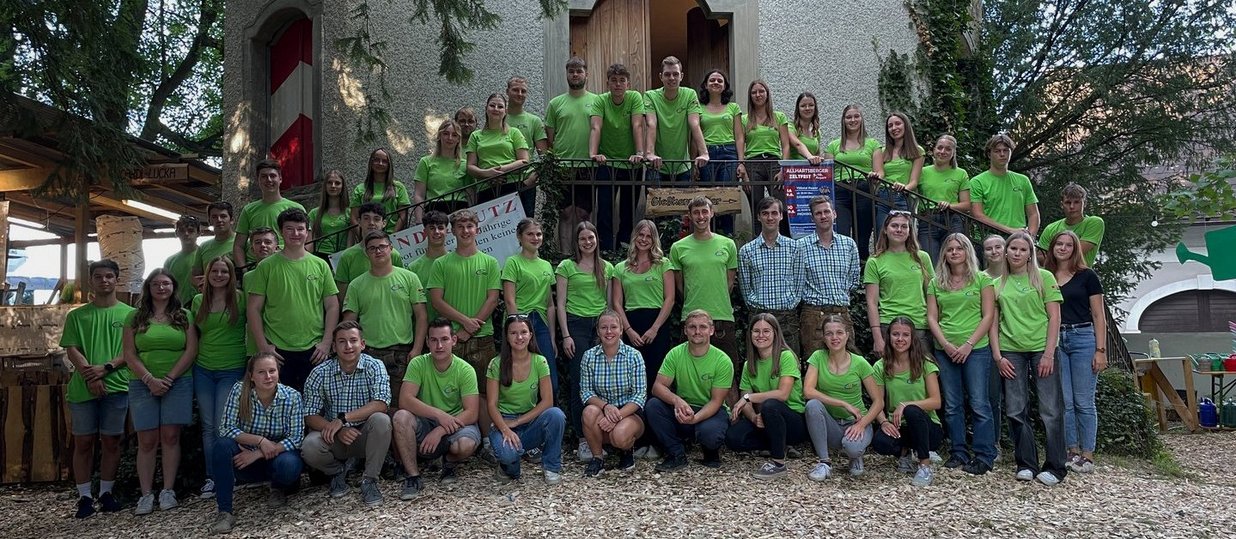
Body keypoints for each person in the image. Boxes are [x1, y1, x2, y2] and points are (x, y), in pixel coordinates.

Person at [992, 231, 1067, 486]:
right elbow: (993, 323)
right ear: (1006, 252)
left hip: (1041, 349)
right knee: (1015, 409)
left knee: (1050, 409)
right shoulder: (997, 284)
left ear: (1030, 254)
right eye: (1013, 248)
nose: (1017, 253)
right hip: (1011, 350)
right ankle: (1026, 463)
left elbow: (1055, 317)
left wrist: (1049, 354)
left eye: (1023, 249)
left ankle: (1056, 466)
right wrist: (998, 356)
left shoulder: (1044, 277)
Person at [61, 259, 135, 518]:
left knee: (112, 441)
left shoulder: (130, 314)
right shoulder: (76, 316)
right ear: (91, 280)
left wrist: (106, 368)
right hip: (83, 389)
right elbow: (72, 349)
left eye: (109, 276)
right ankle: (84, 496)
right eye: (99, 276)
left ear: (117, 279)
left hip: (117, 385)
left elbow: (132, 350)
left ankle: (106, 492)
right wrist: (91, 376)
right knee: (83, 442)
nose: (104, 281)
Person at [123, 269, 199, 514]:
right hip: (142, 383)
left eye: (166, 283)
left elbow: (191, 350)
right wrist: (149, 379)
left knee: (171, 436)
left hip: (177, 381)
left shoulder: (184, 315)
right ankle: (146, 494)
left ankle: (168, 490)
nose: (161, 288)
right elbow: (129, 353)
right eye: (156, 284)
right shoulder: (135, 317)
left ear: (173, 287)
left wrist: (168, 378)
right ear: (148, 287)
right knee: (146, 439)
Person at [209, 353, 305, 535]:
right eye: (261, 372)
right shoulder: (239, 391)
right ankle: (225, 512)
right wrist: (260, 441)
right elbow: (226, 428)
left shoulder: (292, 396)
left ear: (278, 372)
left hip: (276, 457)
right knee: (222, 446)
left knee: (289, 465)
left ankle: (278, 487)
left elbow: (297, 437)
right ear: (251, 376)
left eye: (272, 371)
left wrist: (259, 452)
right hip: (245, 461)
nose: (268, 376)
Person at [926, 233, 997, 475]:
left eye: (959, 248)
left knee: (979, 403)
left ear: (968, 251)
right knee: (952, 404)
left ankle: (984, 454)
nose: (954, 252)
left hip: (975, 350)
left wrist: (968, 344)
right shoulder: (936, 282)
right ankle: (958, 452)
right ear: (944, 254)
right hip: (945, 350)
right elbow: (931, 317)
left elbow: (988, 315)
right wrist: (945, 344)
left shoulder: (982, 279)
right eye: (950, 249)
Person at [246, 208, 340, 391]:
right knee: (278, 403)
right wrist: (263, 346)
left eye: (300, 229)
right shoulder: (266, 267)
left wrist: (327, 342)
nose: (295, 233)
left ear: (307, 232)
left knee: (314, 403)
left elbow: (332, 306)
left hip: (314, 350)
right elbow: (253, 308)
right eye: (289, 229)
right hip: (277, 350)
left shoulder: (321, 265)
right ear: (281, 232)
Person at [301, 321, 392, 507]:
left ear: (362, 344)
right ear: (334, 347)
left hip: (365, 435)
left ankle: (370, 480)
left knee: (381, 420)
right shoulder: (320, 373)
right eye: (342, 341)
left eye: (353, 340)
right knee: (310, 445)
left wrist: (343, 419)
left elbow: (381, 403)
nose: (348, 346)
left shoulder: (375, 366)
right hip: (336, 438)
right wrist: (337, 429)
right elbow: (309, 415)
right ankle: (336, 472)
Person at [426, 209, 500, 432]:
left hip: (482, 338)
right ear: (453, 231)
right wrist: (464, 322)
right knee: (453, 392)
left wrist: (470, 327)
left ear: (477, 229)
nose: (465, 231)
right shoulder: (441, 264)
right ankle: (455, 436)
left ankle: (486, 441)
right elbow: (436, 300)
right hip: (450, 339)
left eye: (470, 226)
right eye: (460, 227)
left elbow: (493, 299)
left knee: (485, 393)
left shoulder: (490, 262)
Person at [393, 318, 483, 496]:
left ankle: (448, 461)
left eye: (444, 339)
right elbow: (405, 400)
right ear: (427, 342)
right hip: (426, 422)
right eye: (434, 340)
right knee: (400, 417)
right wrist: (439, 415)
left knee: (466, 445)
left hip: (456, 423)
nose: (439, 345)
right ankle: (413, 476)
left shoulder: (465, 370)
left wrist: (440, 430)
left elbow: (472, 413)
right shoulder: (418, 364)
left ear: (454, 340)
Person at [343, 230, 428, 407]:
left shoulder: (410, 278)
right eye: (372, 248)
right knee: (368, 406)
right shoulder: (356, 285)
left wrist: (417, 349)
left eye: (382, 246)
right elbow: (349, 325)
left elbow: (421, 316)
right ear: (366, 253)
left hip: (402, 353)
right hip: (368, 354)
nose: (378, 251)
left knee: (401, 407)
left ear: (391, 248)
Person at [1045, 230, 1106, 474]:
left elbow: (1098, 315)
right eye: (1058, 244)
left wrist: (1100, 350)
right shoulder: (1045, 276)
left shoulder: (1087, 276)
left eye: (1068, 245)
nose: (1062, 248)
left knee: (1083, 401)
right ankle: (1071, 449)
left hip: (1082, 337)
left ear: (1075, 249)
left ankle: (1087, 454)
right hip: (1057, 339)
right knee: (1065, 401)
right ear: (1052, 248)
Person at [669, 196, 740, 399]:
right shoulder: (678, 248)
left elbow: (729, 283)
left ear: (712, 213)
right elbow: (680, 285)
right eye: (696, 212)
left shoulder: (728, 244)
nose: (701, 216)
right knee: (687, 375)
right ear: (690, 216)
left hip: (722, 318)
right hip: (691, 319)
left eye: (704, 211)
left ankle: (732, 417)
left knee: (729, 376)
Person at [646, 309, 733, 471]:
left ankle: (710, 451)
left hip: (711, 410)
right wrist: (677, 401)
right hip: (684, 407)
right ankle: (676, 454)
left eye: (703, 327)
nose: (697, 331)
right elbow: (657, 387)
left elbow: (716, 401)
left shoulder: (722, 360)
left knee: (711, 434)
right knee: (653, 406)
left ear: (711, 330)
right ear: (685, 330)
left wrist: (695, 419)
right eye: (692, 327)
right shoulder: (675, 354)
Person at [191, 257, 248, 500]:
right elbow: (194, 335)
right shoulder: (198, 301)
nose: (219, 275)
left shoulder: (241, 299)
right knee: (207, 426)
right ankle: (212, 476)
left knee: (221, 424)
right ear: (208, 274)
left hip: (231, 367)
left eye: (224, 271)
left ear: (231, 274)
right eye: (214, 270)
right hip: (203, 368)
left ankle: (229, 474)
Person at [555, 221, 613, 461]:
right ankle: (582, 439)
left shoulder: (606, 267)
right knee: (580, 381)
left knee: (601, 380)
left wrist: (609, 331)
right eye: (583, 239)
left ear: (597, 239)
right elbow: (560, 303)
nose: (587, 242)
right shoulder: (566, 266)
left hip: (600, 326)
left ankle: (602, 433)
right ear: (576, 242)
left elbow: (609, 304)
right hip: (576, 324)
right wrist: (565, 335)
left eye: (591, 238)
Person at [725, 314, 807, 479]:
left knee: (771, 404)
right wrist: (754, 417)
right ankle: (778, 444)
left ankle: (778, 464)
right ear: (750, 334)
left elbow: (782, 394)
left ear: (775, 333)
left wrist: (748, 398)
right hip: (765, 419)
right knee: (733, 438)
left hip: (792, 420)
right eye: (756, 331)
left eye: (766, 331)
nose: (761, 335)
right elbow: (745, 400)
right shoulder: (749, 364)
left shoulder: (786, 356)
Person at [486, 315, 565, 484]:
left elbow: (547, 401)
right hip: (503, 421)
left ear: (530, 335)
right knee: (509, 460)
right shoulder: (496, 363)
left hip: (529, 421)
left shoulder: (540, 361)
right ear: (507, 337)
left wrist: (517, 422)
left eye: (523, 332)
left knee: (556, 415)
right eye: (513, 333)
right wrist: (505, 429)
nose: (519, 337)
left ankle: (551, 467)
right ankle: (508, 464)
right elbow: (491, 405)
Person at [803, 315, 882, 480]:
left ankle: (855, 457)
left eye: (839, 332)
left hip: (856, 422)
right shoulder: (818, 357)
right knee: (812, 405)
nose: (834, 337)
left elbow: (878, 401)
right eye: (829, 333)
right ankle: (824, 463)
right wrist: (843, 403)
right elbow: (808, 391)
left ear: (847, 335)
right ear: (824, 337)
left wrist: (861, 424)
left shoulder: (860, 363)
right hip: (831, 424)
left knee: (852, 448)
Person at [870, 317, 943, 486]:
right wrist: (883, 422)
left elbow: (936, 401)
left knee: (912, 411)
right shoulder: (880, 366)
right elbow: (878, 402)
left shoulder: (925, 363)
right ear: (889, 337)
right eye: (895, 334)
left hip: (927, 426)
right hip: (899, 426)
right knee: (880, 442)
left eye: (905, 335)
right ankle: (905, 453)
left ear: (912, 338)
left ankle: (924, 466)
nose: (900, 339)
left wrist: (905, 405)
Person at [578, 311, 647, 476]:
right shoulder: (589, 356)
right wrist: (606, 407)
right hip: (602, 410)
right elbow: (586, 392)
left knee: (620, 436)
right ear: (598, 331)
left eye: (613, 327)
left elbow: (640, 395)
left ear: (621, 330)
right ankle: (597, 458)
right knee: (589, 412)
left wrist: (617, 416)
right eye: (604, 327)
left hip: (629, 413)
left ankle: (627, 450)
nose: (609, 331)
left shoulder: (634, 356)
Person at [609, 219, 674, 393]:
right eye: (641, 235)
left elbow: (670, 299)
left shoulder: (663, 264)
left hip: (657, 323)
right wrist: (628, 330)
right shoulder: (620, 268)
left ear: (654, 240)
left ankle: (655, 409)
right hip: (630, 323)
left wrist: (655, 328)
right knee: (632, 373)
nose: (644, 239)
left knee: (656, 371)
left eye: (648, 236)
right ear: (634, 236)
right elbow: (616, 302)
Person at [588, 63, 646, 250]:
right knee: (604, 210)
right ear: (608, 83)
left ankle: (624, 249)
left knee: (628, 211)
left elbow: (637, 125)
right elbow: (596, 126)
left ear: (628, 83)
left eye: (622, 80)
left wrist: (639, 153)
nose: (618, 84)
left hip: (631, 164)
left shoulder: (634, 97)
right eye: (614, 80)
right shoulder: (601, 100)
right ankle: (605, 250)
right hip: (607, 162)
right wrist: (593, 153)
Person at [797, 196, 861, 361]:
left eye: (826, 212)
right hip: (813, 315)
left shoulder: (849, 244)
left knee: (846, 363)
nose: (823, 216)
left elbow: (854, 279)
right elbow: (796, 280)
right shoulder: (800, 246)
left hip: (842, 313)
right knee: (815, 363)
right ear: (812, 218)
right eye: (818, 213)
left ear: (834, 214)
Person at [738, 197, 803, 356]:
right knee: (758, 363)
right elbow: (745, 286)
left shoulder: (794, 248)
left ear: (781, 216)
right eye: (765, 213)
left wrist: (791, 302)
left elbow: (799, 281)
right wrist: (755, 304)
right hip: (759, 314)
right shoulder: (746, 251)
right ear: (758, 217)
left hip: (787, 316)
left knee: (790, 362)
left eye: (774, 213)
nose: (770, 217)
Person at [863, 211, 934, 355]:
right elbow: (871, 302)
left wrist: (934, 325)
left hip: (919, 326)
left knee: (924, 368)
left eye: (904, 226)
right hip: (889, 326)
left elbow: (932, 295)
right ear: (885, 229)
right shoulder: (875, 261)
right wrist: (877, 338)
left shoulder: (922, 258)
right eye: (894, 226)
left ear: (909, 231)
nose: (899, 230)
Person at [544, 57, 599, 239]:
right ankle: (565, 253)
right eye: (571, 71)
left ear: (586, 74)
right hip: (562, 166)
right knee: (565, 213)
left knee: (584, 214)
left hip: (588, 165)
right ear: (566, 74)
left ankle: (584, 251)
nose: (575, 75)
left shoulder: (597, 101)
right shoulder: (555, 103)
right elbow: (550, 137)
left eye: (579, 71)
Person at [501, 218, 558, 392]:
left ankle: (551, 409)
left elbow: (550, 304)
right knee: (520, 374)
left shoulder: (546, 265)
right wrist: (517, 329)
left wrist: (552, 337)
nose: (535, 238)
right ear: (519, 237)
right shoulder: (512, 262)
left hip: (541, 323)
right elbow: (509, 300)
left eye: (538, 234)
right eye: (530, 234)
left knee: (550, 379)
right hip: (519, 321)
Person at [825, 104, 882, 258]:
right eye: (848, 117)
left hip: (864, 189)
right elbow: (827, 173)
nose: (853, 120)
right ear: (843, 120)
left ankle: (862, 269)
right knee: (841, 234)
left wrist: (876, 176)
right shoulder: (833, 145)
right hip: (840, 191)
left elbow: (880, 171)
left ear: (862, 119)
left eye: (856, 116)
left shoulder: (873, 144)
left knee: (862, 238)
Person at [736, 80, 792, 228]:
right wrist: (741, 164)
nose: (758, 95)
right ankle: (758, 239)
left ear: (767, 94)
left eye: (761, 91)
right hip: (752, 163)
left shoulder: (779, 117)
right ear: (750, 96)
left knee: (780, 206)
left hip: (774, 163)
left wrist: (784, 168)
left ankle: (781, 238)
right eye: (754, 92)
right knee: (757, 208)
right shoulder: (744, 119)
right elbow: (740, 142)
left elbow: (786, 145)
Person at [644, 56, 708, 182]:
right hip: (656, 165)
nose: (672, 78)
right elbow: (651, 124)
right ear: (661, 77)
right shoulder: (650, 96)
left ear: (681, 76)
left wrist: (704, 153)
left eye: (675, 74)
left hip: (683, 167)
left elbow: (694, 124)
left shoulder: (689, 94)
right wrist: (650, 153)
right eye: (667, 74)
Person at [234, 159, 306, 268]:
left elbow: (307, 242)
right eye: (264, 176)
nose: (269, 180)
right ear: (258, 180)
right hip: (256, 267)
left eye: (272, 176)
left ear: (280, 179)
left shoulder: (296, 208)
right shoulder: (248, 210)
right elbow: (238, 246)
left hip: (286, 265)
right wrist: (243, 271)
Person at [696, 69, 742, 232]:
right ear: (705, 85)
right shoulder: (698, 107)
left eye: (720, 81)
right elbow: (694, 135)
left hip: (729, 153)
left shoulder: (733, 107)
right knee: (708, 198)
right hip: (706, 154)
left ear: (725, 86)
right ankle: (709, 234)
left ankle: (728, 236)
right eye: (712, 80)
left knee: (726, 197)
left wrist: (741, 162)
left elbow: (739, 136)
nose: (716, 82)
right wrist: (694, 160)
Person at [333, 202, 407, 300]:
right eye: (366, 218)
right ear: (359, 221)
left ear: (384, 223)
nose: (371, 223)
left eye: (376, 219)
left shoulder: (393, 254)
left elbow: (401, 284)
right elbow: (343, 295)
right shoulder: (347, 256)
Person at [466, 93, 531, 203]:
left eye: (500, 106)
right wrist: (487, 174)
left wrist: (499, 171)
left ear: (505, 111)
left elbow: (524, 161)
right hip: (485, 189)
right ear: (486, 109)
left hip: (513, 186)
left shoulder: (514, 132)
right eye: (492, 105)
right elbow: (470, 167)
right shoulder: (475, 136)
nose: (496, 109)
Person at [970, 134, 1040, 234]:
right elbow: (978, 215)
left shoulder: (1023, 180)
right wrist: (1009, 230)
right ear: (989, 154)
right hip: (988, 237)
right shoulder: (977, 182)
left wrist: (1031, 237)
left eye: (1006, 150)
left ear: (1011, 152)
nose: (1002, 154)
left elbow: (1033, 214)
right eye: (997, 151)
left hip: (1018, 238)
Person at [917, 135, 971, 265]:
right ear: (933, 150)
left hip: (952, 219)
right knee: (930, 261)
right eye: (940, 147)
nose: (943, 151)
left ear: (953, 153)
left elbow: (967, 205)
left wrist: (950, 206)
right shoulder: (922, 172)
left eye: (948, 149)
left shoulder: (961, 173)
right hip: (927, 220)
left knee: (954, 261)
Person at [869, 112, 924, 235]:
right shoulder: (883, 151)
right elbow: (880, 174)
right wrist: (875, 177)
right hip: (883, 195)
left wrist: (904, 188)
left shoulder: (917, 151)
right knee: (882, 234)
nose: (894, 128)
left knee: (901, 235)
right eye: (890, 126)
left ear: (906, 126)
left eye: (898, 124)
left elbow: (914, 181)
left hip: (903, 197)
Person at [413, 120, 470, 221]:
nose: (450, 138)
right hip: (434, 213)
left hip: (460, 213)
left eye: (454, 135)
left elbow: (470, 193)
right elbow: (419, 194)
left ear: (458, 139)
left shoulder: (465, 164)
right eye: (446, 134)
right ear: (439, 136)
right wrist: (419, 220)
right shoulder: (426, 162)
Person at [980, 233, 1007, 449]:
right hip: (989, 345)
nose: (994, 251)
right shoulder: (980, 278)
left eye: (998, 247)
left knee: (1017, 398)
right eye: (989, 248)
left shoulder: (1017, 275)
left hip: (1015, 342)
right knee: (992, 397)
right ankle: (994, 442)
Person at [1038, 182, 1105, 266]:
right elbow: (1040, 256)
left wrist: (1052, 255)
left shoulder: (1094, 222)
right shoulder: (1050, 228)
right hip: (1052, 273)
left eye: (1076, 202)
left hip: (1080, 273)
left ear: (1084, 203)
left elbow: (1076, 253)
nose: (1072, 206)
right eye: (1068, 202)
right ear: (1062, 204)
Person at [350, 148, 411, 233]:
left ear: (389, 165)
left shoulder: (399, 187)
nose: (380, 163)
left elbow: (403, 215)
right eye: (376, 160)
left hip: (392, 235)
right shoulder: (360, 189)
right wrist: (362, 236)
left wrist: (392, 236)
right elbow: (354, 217)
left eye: (384, 161)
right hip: (367, 236)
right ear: (371, 162)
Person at [407, 210, 449, 323]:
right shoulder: (413, 268)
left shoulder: (457, 261)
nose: (437, 232)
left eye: (440, 228)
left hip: (455, 328)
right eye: (432, 228)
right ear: (424, 232)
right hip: (426, 328)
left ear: (447, 231)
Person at [192, 202, 237, 289]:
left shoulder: (241, 244)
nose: (219, 220)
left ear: (231, 220)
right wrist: (202, 286)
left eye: (223, 216)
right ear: (209, 221)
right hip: (210, 295)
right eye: (214, 217)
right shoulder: (203, 247)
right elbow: (194, 276)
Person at [308, 169, 352, 258]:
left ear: (343, 187)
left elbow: (350, 241)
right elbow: (309, 242)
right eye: (329, 183)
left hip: (341, 256)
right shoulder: (314, 213)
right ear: (325, 186)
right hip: (319, 255)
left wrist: (347, 257)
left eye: (337, 183)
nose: (333, 186)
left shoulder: (350, 213)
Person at [163, 215, 201, 304]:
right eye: (182, 230)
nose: (186, 234)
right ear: (176, 233)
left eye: (191, 230)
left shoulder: (204, 256)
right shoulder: (170, 261)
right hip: (176, 307)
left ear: (198, 233)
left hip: (199, 305)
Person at [789, 92, 823, 161]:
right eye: (803, 106)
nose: (807, 108)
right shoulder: (791, 127)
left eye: (811, 105)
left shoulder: (816, 132)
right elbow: (798, 145)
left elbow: (817, 154)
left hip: (810, 168)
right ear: (798, 109)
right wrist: (810, 156)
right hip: (793, 167)